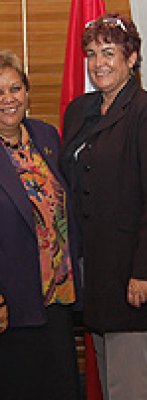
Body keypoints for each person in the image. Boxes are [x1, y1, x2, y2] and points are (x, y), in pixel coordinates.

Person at [59, 13, 147, 400]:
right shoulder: (80, 110)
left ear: (132, 57)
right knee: (111, 380)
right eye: (91, 54)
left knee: (131, 384)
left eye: (109, 52)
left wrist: (143, 271)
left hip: (131, 275)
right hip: (92, 271)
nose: (98, 63)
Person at [0, 50, 82, 400]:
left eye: (15, 88)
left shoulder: (46, 137)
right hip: (12, 304)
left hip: (59, 297)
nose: (8, 99)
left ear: (27, 92)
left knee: (61, 386)